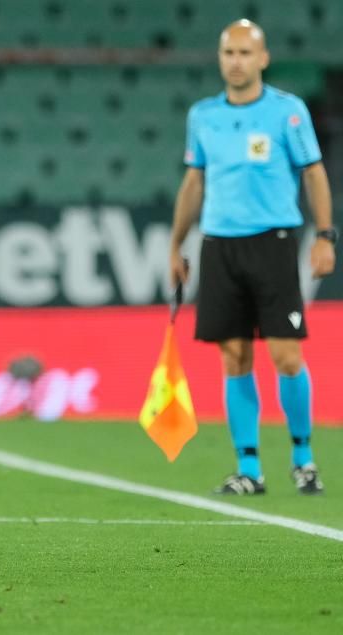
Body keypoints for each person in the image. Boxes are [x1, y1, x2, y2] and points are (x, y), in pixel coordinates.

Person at [168, 20, 336, 495]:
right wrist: (176, 244)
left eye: (245, 52)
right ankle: (249, 468)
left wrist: (325, 236)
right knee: (234, 355)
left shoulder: (287, 111)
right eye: (229, 53)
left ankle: (303, 459)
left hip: (273, 241)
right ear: (220, 58)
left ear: (263, 58)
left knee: (286, 355)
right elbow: (194, 181)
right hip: (219, 245)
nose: (236, 61)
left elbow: (314, 173)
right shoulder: (204, 115)